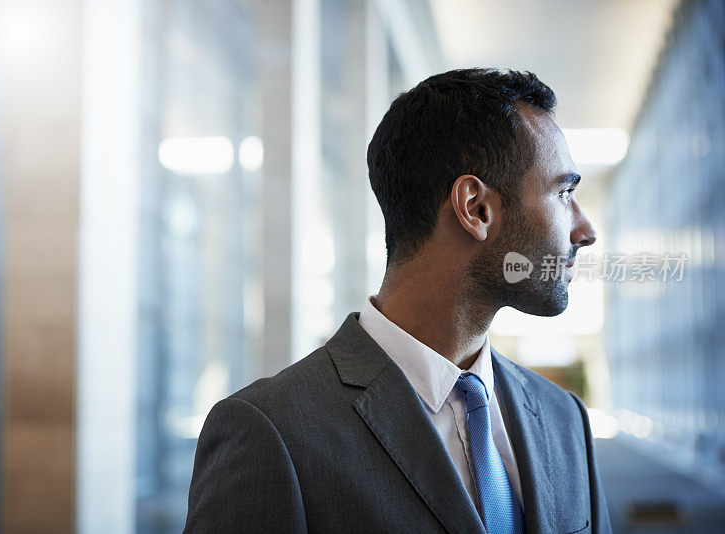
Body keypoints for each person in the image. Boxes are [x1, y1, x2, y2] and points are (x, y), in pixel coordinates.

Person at [183, 68, 612, 534]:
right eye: (564, 192)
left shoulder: (563, 417)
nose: (585, 231)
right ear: (476, 208)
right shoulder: (271, 433)